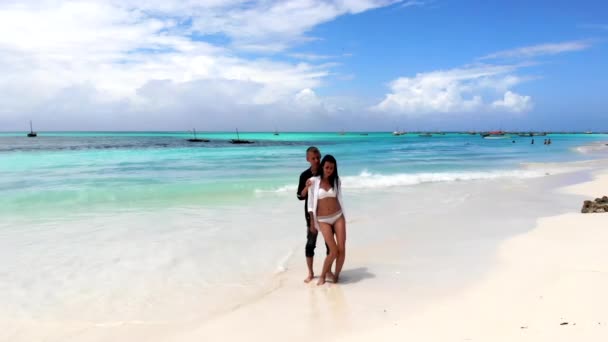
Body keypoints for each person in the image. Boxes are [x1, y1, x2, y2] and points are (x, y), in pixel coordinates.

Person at [307, 155, 346, 285]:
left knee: (342, 249)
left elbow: (339, 198)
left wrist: (343, 216)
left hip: (338, 216)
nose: (329, 170)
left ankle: (336, 275)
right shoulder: (313, 181)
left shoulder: (336, 181)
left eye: (332, 168)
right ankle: (323, 275)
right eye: (327, 167)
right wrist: (312, 222)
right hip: (323, 220)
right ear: (323, 166)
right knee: (333, 250)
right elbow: (311, 204)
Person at [297, 147, 331, 283]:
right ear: (308, 159)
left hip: (326, 215)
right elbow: (300, 196)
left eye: (318, 157)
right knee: (310, 244)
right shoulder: (304, 175)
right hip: (311, 215)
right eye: (313, 158)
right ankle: (311, 273)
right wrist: (307, 186)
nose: (316, 160)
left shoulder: (326, 172)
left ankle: (328, 270)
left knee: (329, 245)